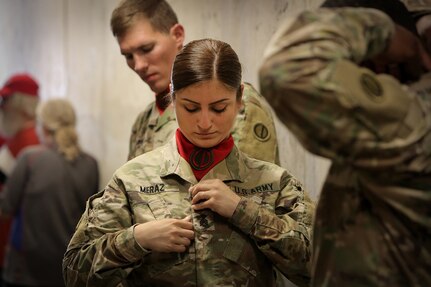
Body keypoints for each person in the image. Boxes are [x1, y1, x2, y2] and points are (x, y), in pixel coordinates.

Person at [63, 38, 314, 287]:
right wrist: (137, 239)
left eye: (218, 108)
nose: (205, 123)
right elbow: (74, 274)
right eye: (191, 108)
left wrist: (243, 211)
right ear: (173, 98)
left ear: (239, 100)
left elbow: (317, 270)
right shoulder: (131, 180)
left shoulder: (274, 183)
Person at [259, 0, 431, 286]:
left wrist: (392, 34)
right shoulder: (389, 132)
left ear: (381, 62)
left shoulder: (412, 127)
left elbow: (288, 68)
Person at [110, 0, 280, 164]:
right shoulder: (145, 120)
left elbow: (251, 187)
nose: (138, 65)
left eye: (146, 49)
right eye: (128, 56)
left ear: (177, 35)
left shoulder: (237, 104)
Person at [0, 99, 99, 287]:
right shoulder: (90, 164)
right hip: (67, 270)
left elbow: (5, 209)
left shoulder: (30, 158)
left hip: (26, 273)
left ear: (43, 127)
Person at [0, 73, 40, 285]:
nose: (2, 107)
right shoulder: (14, 135)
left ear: (20, 105)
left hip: (15, 244)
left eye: (6, 101)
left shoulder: (31, 143)